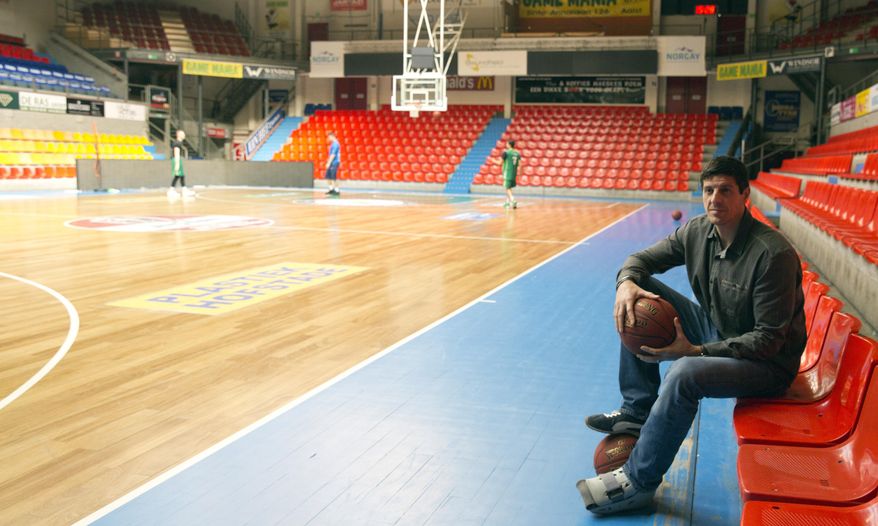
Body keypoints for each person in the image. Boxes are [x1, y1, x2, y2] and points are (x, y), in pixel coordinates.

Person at [577, 156, 806, 515]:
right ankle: (637, 410)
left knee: (684, 373)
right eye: (709, 190)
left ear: (745, 195)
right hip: (719, 328)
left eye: (725, 190)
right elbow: (639, 261)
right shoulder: (697, 231)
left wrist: (695, 350)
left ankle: (639, 482)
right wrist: (625, 284)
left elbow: (767, 341)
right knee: (639, 301)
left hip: (767, 365)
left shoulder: (772, 255)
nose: (715, 198)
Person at [497, 140, 521, 208]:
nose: (506, 145)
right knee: (508, 187)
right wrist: (520, 173)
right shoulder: (517, 153)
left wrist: (493, 161)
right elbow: (520, 164)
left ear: (509, 145)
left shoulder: (506, 152)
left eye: (507, 144)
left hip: (507, 172)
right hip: (514, 173)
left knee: (507, 188)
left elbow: (499, 163)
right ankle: (507, 202)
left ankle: (513, 200)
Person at [168, 129, 191, 198]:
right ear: (179, 135)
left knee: (179, 175)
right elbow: (176, 153)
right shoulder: (177, 143)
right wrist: (177, 164)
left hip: (177, 159)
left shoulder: (179, 142)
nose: (184, 135)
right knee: (180, 175)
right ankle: (176, 191)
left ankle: (175, 190)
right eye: (182, 134)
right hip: (176, 159)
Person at [325, 131, 341, 195]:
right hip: (332, 162)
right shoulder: (333, 144)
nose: (328, 139)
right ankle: (331, 189)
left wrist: (328, 163)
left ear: (332, 136)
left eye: (329, 137)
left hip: (334, 162)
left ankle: (336, 190)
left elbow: (333, 155)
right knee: (328, 176)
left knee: (333, 177)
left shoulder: (336, 144)